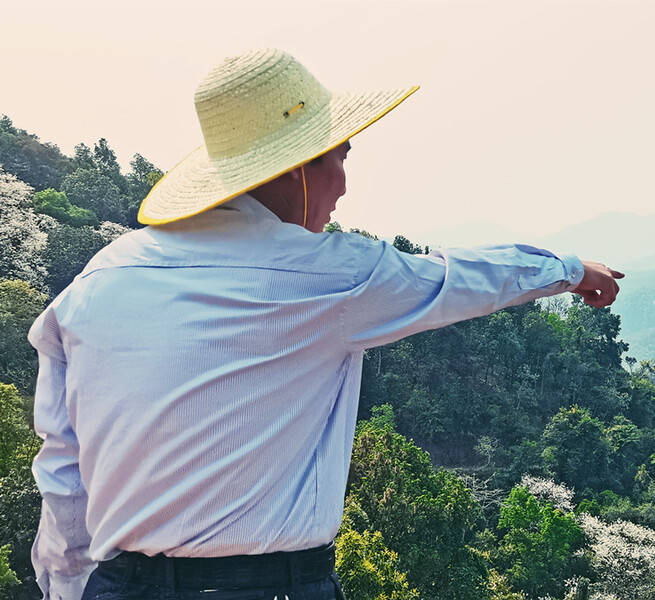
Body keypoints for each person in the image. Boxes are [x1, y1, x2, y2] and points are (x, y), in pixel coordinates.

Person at [27, 48, 623, 599]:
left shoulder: (95, 283)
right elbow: (454, 279)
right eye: (339, 157)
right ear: (298, 170)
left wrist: (69, 586)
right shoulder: (323, 275)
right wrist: (569, 270)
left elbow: (64, 470)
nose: (343, 184)